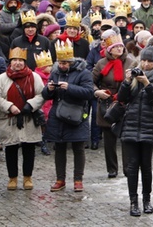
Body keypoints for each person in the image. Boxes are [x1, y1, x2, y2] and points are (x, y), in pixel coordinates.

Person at [118, 45, 153, 216]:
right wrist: (125, 82)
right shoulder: (132, 74)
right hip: (130, 125)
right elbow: (122, 98)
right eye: (144, 60)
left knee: (146, 166)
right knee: (132, 167)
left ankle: (147, 200)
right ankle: (133, 202)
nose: (146, 64)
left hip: (148, 127)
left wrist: (147, 84)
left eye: (150, 61)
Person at [43, 40, 94, 193]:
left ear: (71, 62)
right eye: (60, 62)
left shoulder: (83, 72)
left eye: (65, 63)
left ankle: (78, 179)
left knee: (78, 147)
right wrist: (50, 89)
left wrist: (70, 87)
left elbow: (88, 92)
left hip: (76, 114)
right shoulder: (55, 72)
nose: (62, 65)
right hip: (58, 115)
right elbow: (46, 95)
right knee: (59, 147)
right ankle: (60, 179)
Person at [0, 48, 45, 191]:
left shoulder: (34, 77)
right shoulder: (1, 78)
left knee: (29, 148)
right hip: (9, 118)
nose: (17, 63)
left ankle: (28, 177)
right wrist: (9, 106)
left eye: (20, 61)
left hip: (28, 117)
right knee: (11, 148)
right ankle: (12, 178)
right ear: (10, 62)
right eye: (14, 60)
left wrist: (30, 105)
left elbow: (41, 94)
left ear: (25, 62)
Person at [93, 31, 134, 178]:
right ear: (110, 49)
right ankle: (112, 168)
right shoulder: (101, 63)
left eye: (121, 47)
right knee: (109, 140)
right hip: (107, 102)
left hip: (125, 103)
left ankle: (128, 168)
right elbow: (90, 82)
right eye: (116, 47)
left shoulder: (130, 62)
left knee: (126, 138)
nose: (119, 49)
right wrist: (97, 92)